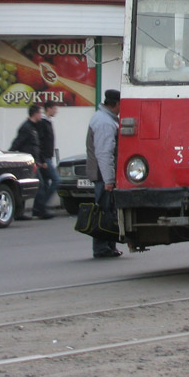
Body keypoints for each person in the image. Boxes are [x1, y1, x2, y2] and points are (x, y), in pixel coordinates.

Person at [86, 89, 121, 258]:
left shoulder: (103, 118)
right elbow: (104, 153)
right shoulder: (105, 122)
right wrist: (109, 179)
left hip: (102, 173)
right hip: (102, 174)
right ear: (115, 104)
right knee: (104, 211)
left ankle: (109, 245)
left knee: (108, 210)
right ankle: (101, 247)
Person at [9, 104, 42, 218]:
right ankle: (28, 211)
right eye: (40, 113)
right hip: (27, 162)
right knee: (33, 185)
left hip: (32, 161)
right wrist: (11, 156)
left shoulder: (33, 127)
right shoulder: (26, 127)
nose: (41, 115)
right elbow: (18, 142)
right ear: (35, 114)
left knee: (28, 186)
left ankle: (22, 212)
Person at [31, 100, 61, 219]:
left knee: (44, 184)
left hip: (48, 157)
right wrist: (42, 160)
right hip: (44, 158)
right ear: (49, 109)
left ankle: (38, 208)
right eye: (55, 108)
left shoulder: (48, 122)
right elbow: (41, 142)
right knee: (56, 180)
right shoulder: (43, 123)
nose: (56, 111)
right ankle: (41, 205)